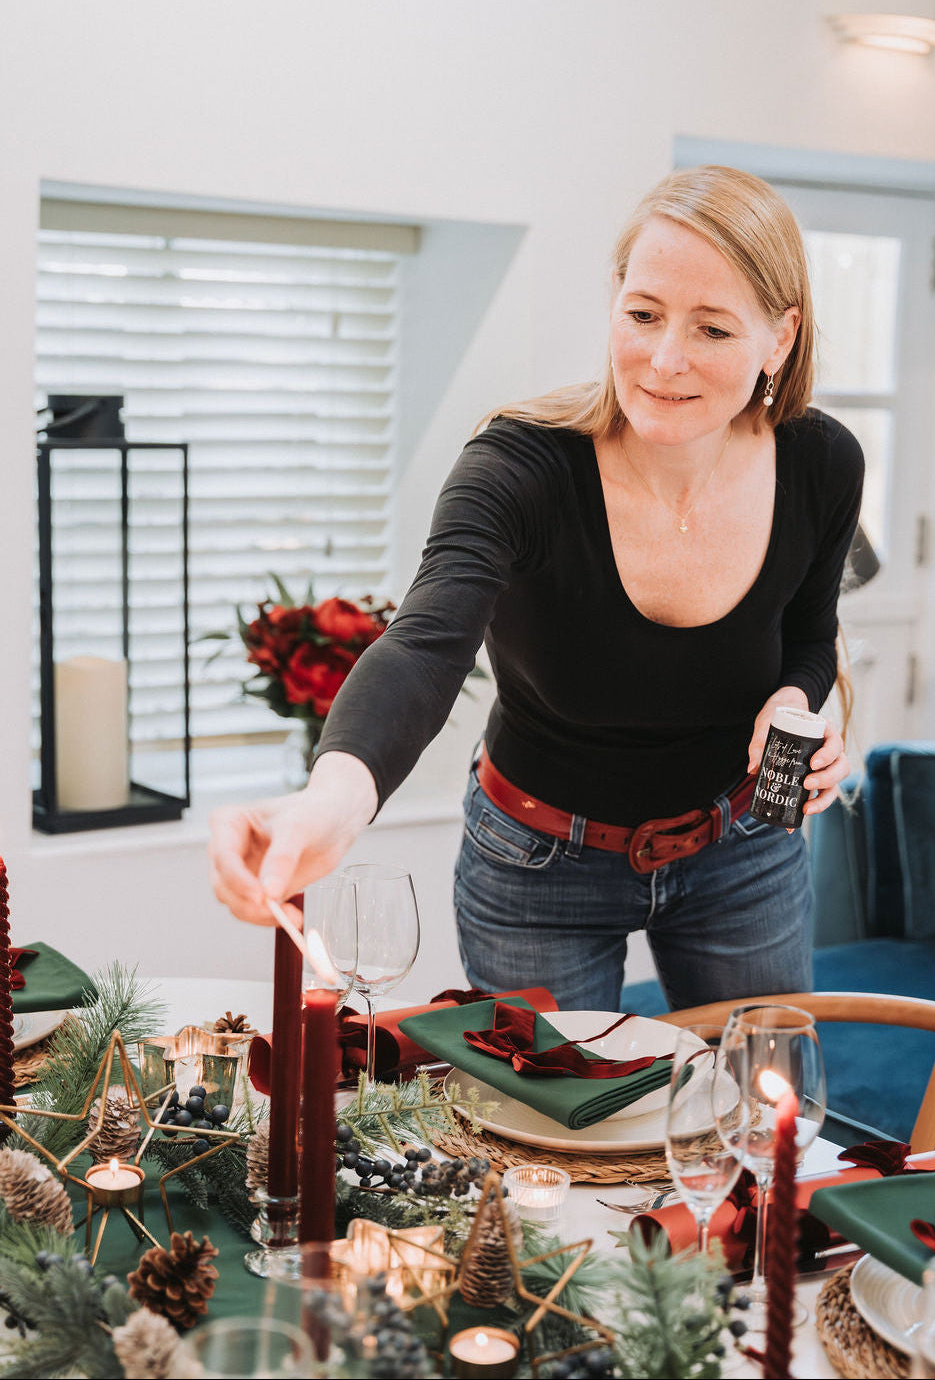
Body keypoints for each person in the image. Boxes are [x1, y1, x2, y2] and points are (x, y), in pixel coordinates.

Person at [209, 165, 862, 1012]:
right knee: (547, 1133)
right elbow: (424, 644)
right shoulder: (518, 468)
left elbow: (811, 633)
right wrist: (332, 800)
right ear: (614, 299)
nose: (665, 359)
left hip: (742, 845)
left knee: (758, 1124)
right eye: (643, 314)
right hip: (537, 857)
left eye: (712, 329)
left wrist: (795, 696)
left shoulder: (821, 462)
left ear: (780, 337)